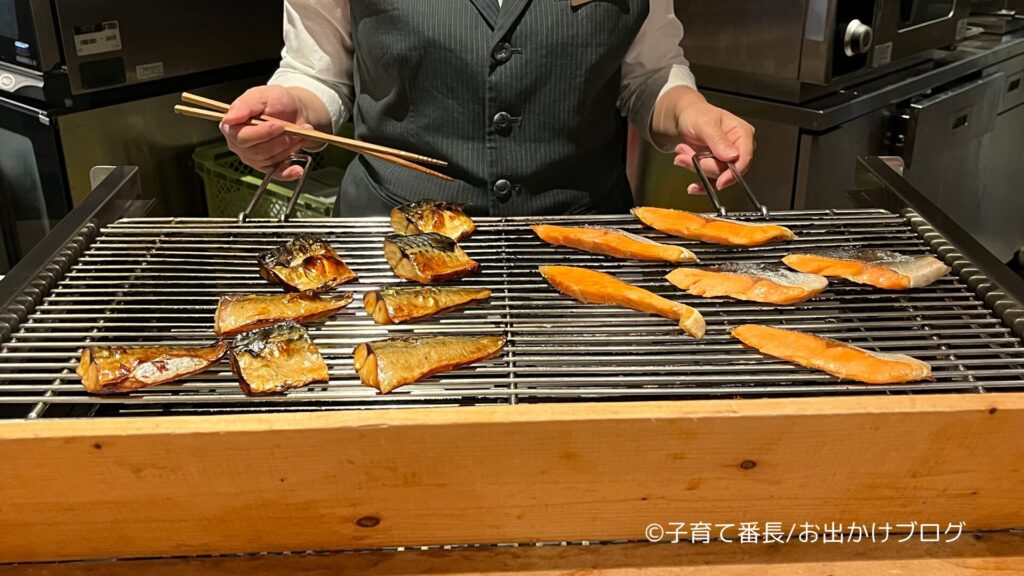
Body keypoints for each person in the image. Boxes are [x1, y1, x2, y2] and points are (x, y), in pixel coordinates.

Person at [221, 0, 755, 217]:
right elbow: (319, 72)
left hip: (581, 243)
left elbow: (649, 72)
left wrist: (688, 110)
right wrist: (294, 108)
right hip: (393, 245)